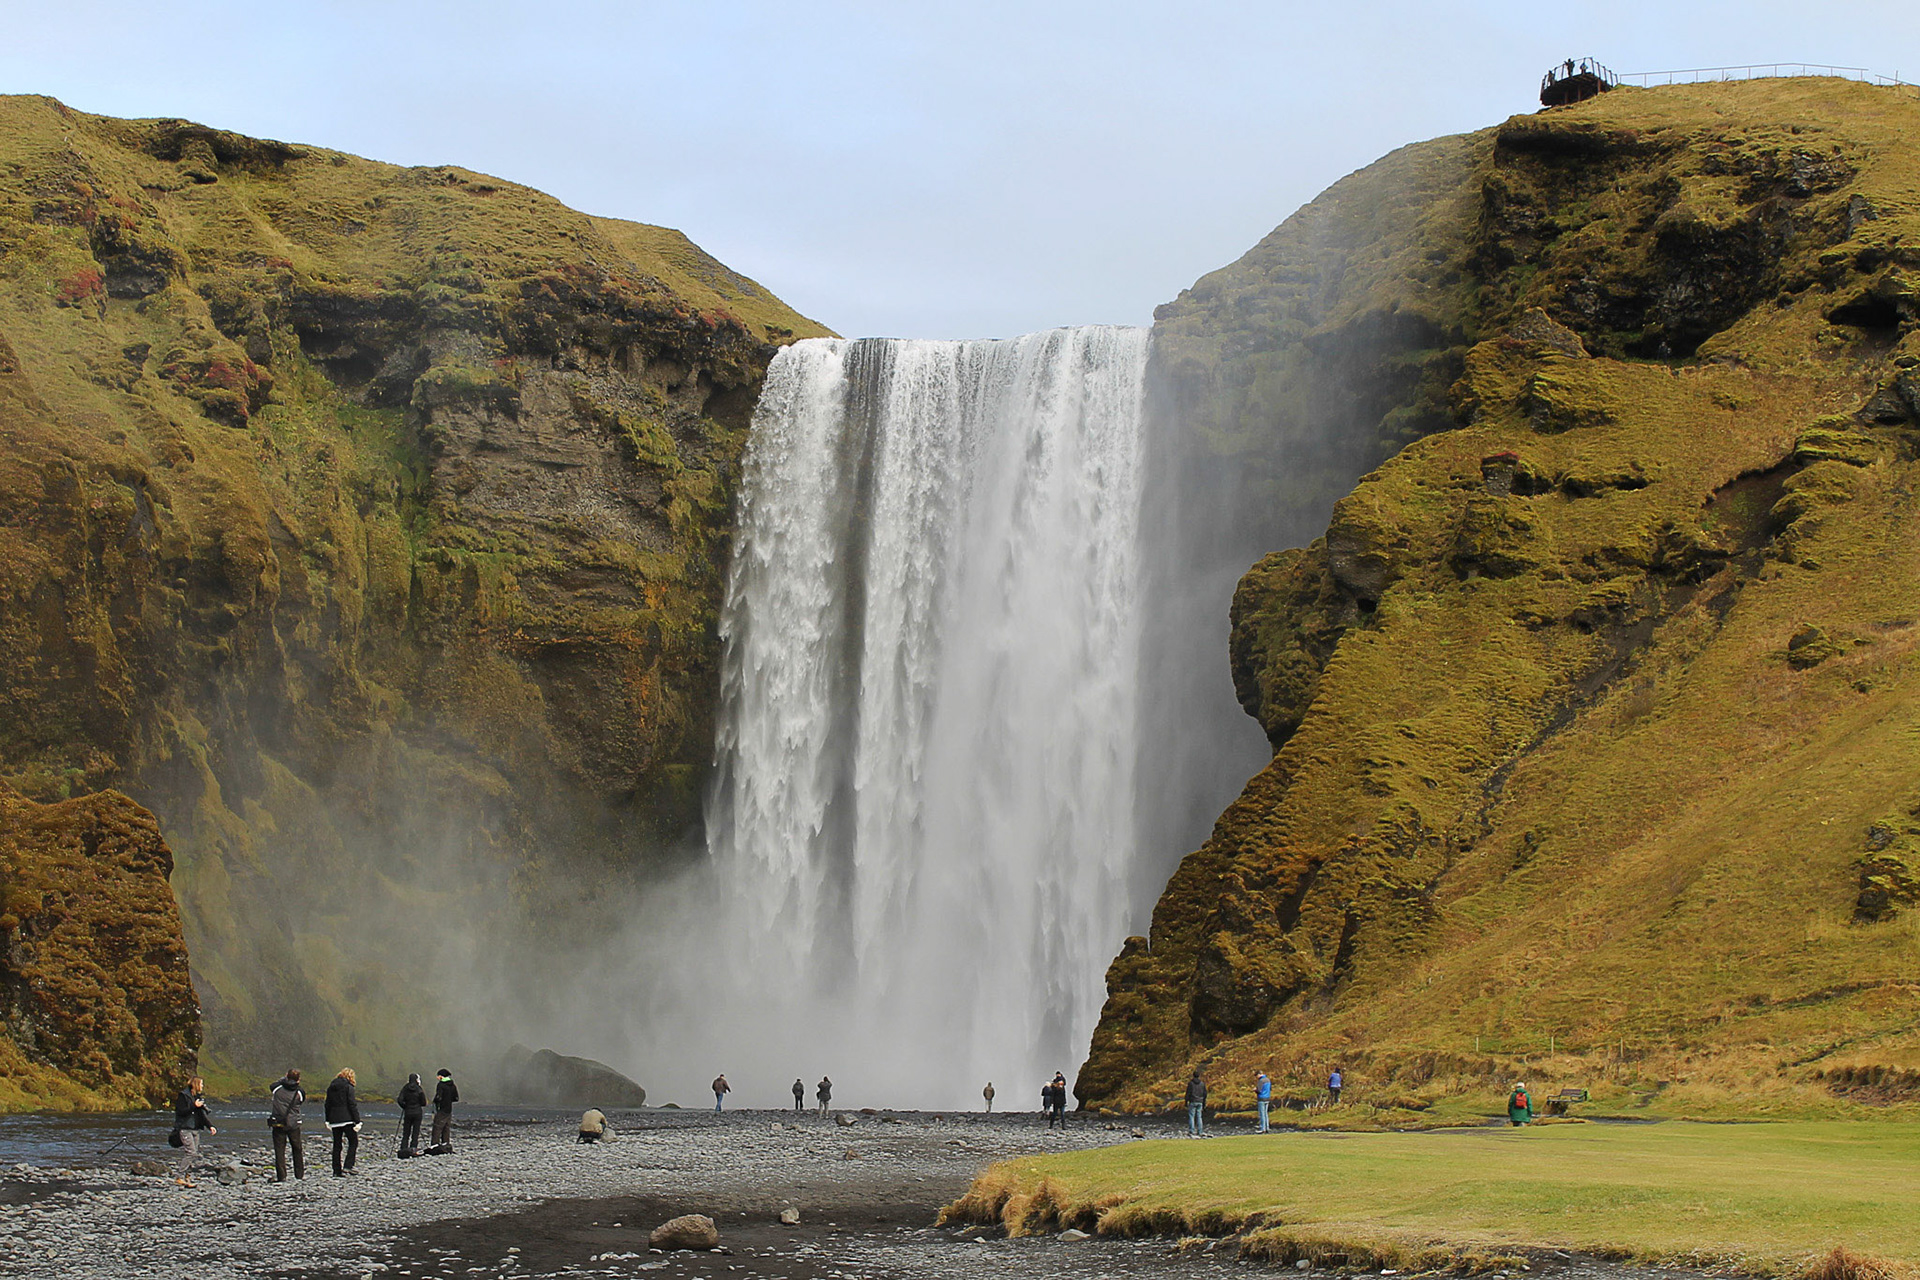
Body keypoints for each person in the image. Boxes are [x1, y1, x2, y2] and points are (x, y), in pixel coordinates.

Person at [170, 1076, 216, 1179]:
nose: (202, 1086)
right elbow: (181, 1111)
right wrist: (194, 1106)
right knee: (191, 1153)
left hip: (195, 1129)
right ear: (196, 1084)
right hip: (185, 1128)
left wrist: (210, 1126)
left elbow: (201, 1115)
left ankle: (187, 1176)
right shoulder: (183, 1096)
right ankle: (179, 1176)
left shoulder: (196, 1097)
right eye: (201, 1084)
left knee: (193, 1154)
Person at [268, 1069, 306, 1182]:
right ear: (298, 1080)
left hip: (278, 1123)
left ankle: (282, 1176)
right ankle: (299, 1175)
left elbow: (273, 1085)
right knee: (297, 1149)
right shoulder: (300, 1092)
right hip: (294, 1124)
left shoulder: (276, 1088)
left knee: (279, 1150)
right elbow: (301, 1101)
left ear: (286, 1076)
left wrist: (283, 1079)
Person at [325, 1068, 362, 1176]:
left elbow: (327, 1104)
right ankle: (348, 1166)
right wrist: (357, 1121)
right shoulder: (348, 1087)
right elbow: (352, 1104)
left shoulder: (331, 1087)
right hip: (347, 1119)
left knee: (337, 1145)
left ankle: (336, 1170)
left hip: (334, 1120)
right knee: (353, 1142)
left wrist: (327, 1120)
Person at [396, 1072, 427, 1157]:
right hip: (417, 1112)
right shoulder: (419, 1089)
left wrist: (405, 1106)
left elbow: (399, 1099)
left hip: (408, 1112)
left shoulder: (405, 1088)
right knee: (415, 1132)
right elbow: (424, 1102)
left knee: (406, 1132)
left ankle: (403, 1149)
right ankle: (413, 1149)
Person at [431, 1068, 459, 1149]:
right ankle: (445, 1143)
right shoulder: (452, 1085)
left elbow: (438, 1097)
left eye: (438, 1076)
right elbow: (456, 1098)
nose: (437, 1077)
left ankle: (435, 1144)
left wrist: (436, 1101)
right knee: (446, 1127)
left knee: (437, 1126)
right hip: (449, 1108)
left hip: (441, 1108)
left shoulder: (441, 1085)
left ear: (442, 1076)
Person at [1185, 1070, 1207, 1137]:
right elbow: (1205, 1094)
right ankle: (1200, 1131)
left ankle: (1192, 1130)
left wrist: (1186, 1101)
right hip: (1200, 1101)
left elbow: (1188, 1093)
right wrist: (1204, 1102)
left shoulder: (1191, 1083)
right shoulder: (1202, 1084)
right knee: (1199, 1116)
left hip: (1192, 1101)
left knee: (1191, 1116)